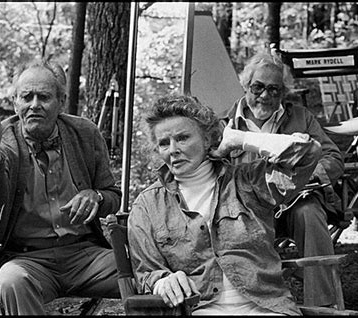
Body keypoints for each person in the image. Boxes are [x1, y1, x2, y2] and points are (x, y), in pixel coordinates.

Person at [127, 94, 322, 315]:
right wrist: (163, 280)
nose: (173, 149)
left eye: (182, 138)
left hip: (266, 308)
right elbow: (146, 271)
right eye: (164, 143)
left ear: (207, 139)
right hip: (200, 309)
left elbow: (309, 153)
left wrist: (240, 139)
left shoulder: (248, 182)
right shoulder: (148, 205)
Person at [0, 60, 121, 315]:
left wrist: (95, 196)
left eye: (44, 97)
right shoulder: (2, 140)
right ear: (15, 102)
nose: (34, 105)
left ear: (61, 101)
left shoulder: (84, 133)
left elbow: (113, 196)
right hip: (27, 260)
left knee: (147, 267)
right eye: (26, 97)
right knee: (10, 282)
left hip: (86, 256)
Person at [221, 51, 344, 307]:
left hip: (291, 203)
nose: (265, 96)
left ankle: (321, 305)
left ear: (283, 92)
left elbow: (332, 157)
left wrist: (309, 174)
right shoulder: (225, 125)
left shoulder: (300, 118)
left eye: (274, 90)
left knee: (309, 214)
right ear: (246, 85)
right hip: (245, 210)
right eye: (258, 87)